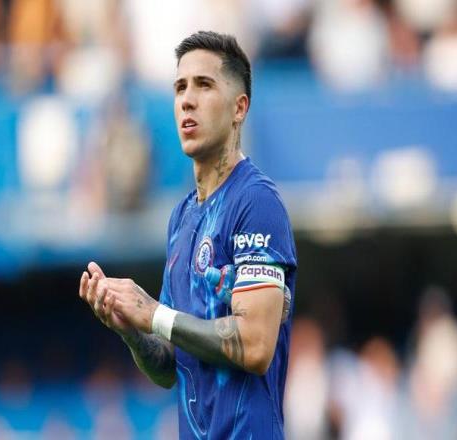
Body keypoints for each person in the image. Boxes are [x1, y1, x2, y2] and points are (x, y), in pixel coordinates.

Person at [79, 30, 297, 439]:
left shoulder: (256, 202)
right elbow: (167, 368)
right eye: (180, 87)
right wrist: (132, 331)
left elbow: (255, 345)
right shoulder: (181, 218)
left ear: (239, 108)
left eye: (204, 85)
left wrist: (153, 314)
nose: (187, 100)